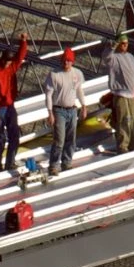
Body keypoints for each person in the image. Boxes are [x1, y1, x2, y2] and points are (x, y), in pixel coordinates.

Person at [0, 31, 31, 174]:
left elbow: (20, 57)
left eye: (10, 62)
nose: (9, 64)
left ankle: (9, 163)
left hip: (10, 106)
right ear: (3, 60)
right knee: (0, 138)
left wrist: (23, 41)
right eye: (8, 62)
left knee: (14, 135)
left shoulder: (11, 68)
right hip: (0, 109)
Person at [42, 46, 86, 175]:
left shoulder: (77, 74)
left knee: (71, 139)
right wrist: (50, 113)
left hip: (72, 110)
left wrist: (84, 106)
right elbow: (48, 94)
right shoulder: (55, 75)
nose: (66, 63)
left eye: (69, 61)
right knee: (59, 139)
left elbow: (79, 90)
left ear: (73, 62)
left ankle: (67, 162)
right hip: (59, 110)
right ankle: (54, 165)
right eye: (65, 60)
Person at [104, 33, 134, 153]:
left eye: (126, 43)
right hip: (120, 94)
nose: (125, 46)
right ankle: (123, 145)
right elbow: (106, 57)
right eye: (122, 43)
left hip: (131, 94)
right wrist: (112, 46)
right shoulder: (114, 58)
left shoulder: (131, 57)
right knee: (124, 120)